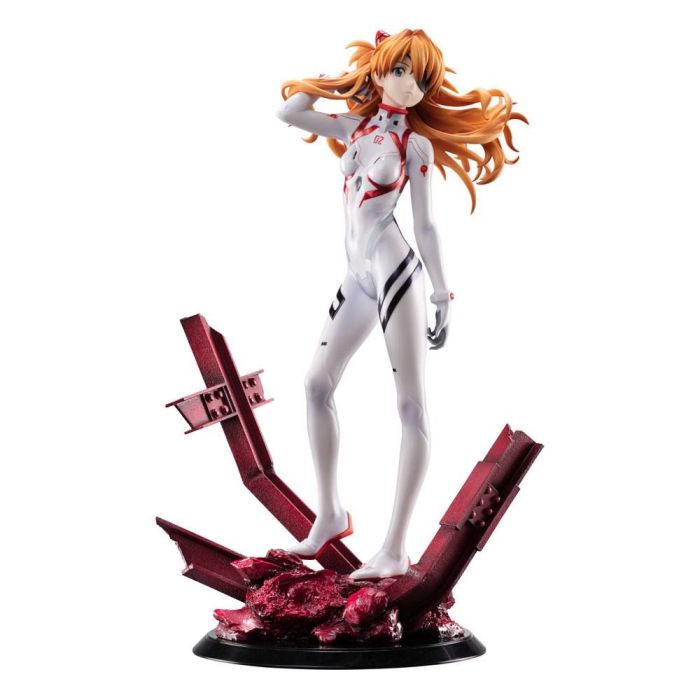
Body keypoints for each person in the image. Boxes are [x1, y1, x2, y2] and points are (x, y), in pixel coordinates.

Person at [276, 28, 524, 579]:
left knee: (410, 405)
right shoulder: (354, 127)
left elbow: (426, 225)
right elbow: (289, 112)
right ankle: (330, 514)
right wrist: (342, 82)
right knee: (316, 384)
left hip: (396, 275)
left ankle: (394, 548)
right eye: (401, 71)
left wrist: (441, 293)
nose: (412, 87)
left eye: (422, 80)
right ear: (381, 70)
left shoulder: (415, 146)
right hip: (357, 276)